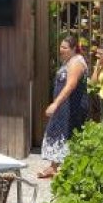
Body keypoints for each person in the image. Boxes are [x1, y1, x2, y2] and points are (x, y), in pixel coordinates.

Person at [39, 35, 89, 179]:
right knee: (56, 132)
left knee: (69, 134)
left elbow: (71, 85)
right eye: (61, 46)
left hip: (72, 105)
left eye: (65, 47)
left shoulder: (76, 62)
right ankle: (53, 167)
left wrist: (55, 103)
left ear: (74, 49)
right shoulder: (69, 61)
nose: (61, 49)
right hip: (64, 104)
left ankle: (68, 169)